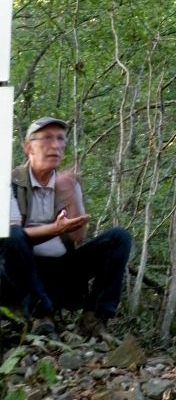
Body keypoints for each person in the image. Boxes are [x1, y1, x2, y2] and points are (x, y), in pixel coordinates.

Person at [1, 116, 132, 338]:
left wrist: (69, 192)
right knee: (11, 236)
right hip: (19, 277)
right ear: (28, 147)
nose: (56, 145)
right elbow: (11, 236)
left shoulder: (66, 182)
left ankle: (94, 317)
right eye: (47, 138)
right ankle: (40, 315)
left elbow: (78, 236)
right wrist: (55, 229)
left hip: (61, 273)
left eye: (61, 139)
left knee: (119, 238)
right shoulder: (9, 182)